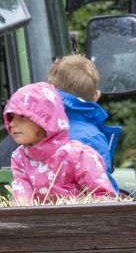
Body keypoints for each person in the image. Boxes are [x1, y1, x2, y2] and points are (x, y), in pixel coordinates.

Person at [4, 82, 116, 204]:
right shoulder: (19, 157)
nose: (12, 123)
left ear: (45, 118)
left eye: (22, 116)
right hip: (40, 222)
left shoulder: (78, 155)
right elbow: (22, 203)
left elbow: (104, 198)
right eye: (10, 117)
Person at [48, 54, 122, 192]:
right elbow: (103, 189)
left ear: (50, 90)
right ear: (96, 96)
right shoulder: (93, 138)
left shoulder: (35, 130)